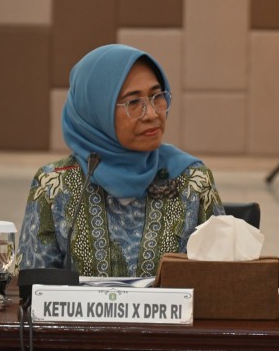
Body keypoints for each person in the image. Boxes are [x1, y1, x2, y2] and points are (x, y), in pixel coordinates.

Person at [16, 44, 225, 277]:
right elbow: (31, 287)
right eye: (133, 103)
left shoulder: (192, 180)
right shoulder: (54, 185)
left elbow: (223, 281)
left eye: (157, 96)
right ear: (96, 111)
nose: (152, 114)